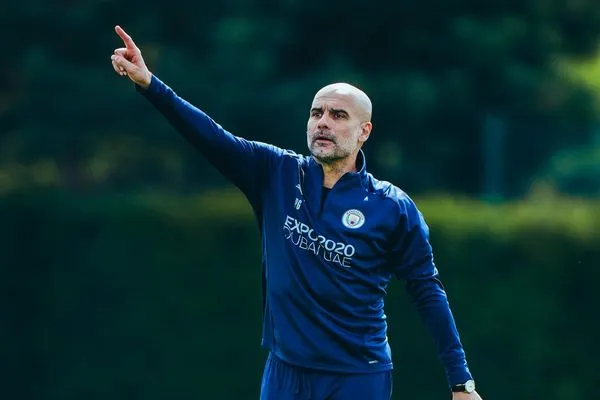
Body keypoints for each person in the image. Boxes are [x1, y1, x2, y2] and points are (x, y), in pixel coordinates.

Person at [110, 25, 484, 400]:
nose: (323, 122)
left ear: (364, 131)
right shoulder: (274, 172)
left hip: (356, 377)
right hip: (284, 373)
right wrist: (150, 84)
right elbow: (210, 136)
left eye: (338, 115)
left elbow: (428, 292)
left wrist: (461, 383)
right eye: (316, 112)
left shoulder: (393, 207)